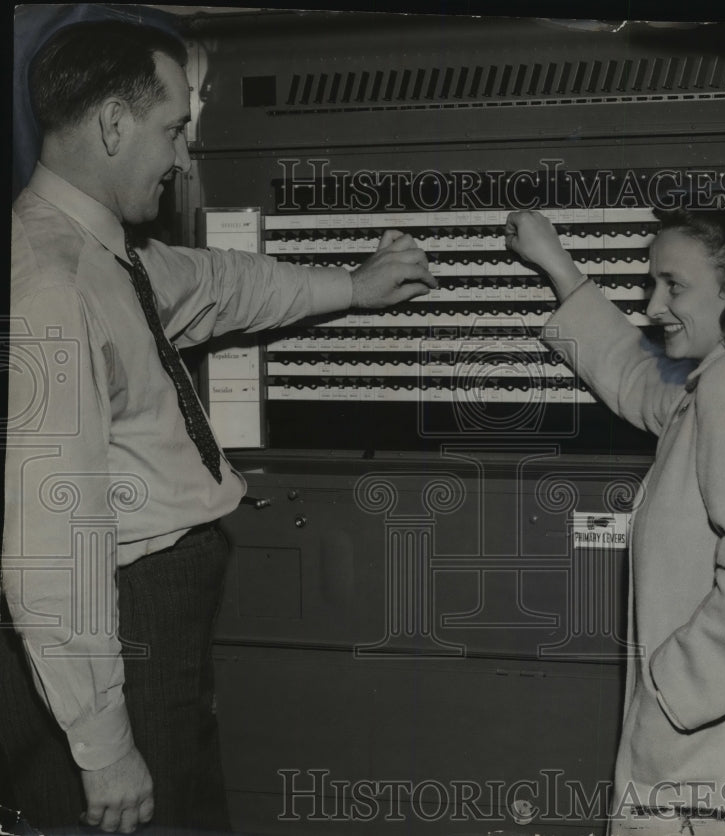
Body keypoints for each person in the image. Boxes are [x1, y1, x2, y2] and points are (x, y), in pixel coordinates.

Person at [1, 20, 435, 834]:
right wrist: (104, 747)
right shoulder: (50, 288)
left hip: (158, 632)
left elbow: (220, 284)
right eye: (172, 131)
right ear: (113, 125)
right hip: (126, 633)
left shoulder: (104, 258)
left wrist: (354, 286)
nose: (182, 158)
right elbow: (50, 545)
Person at [506, 201, 725, 836]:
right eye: (651, 283)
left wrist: (669, 693)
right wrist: (555, 264)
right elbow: (638, 379)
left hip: (715, 745)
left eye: (674, 286)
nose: (654, 307)